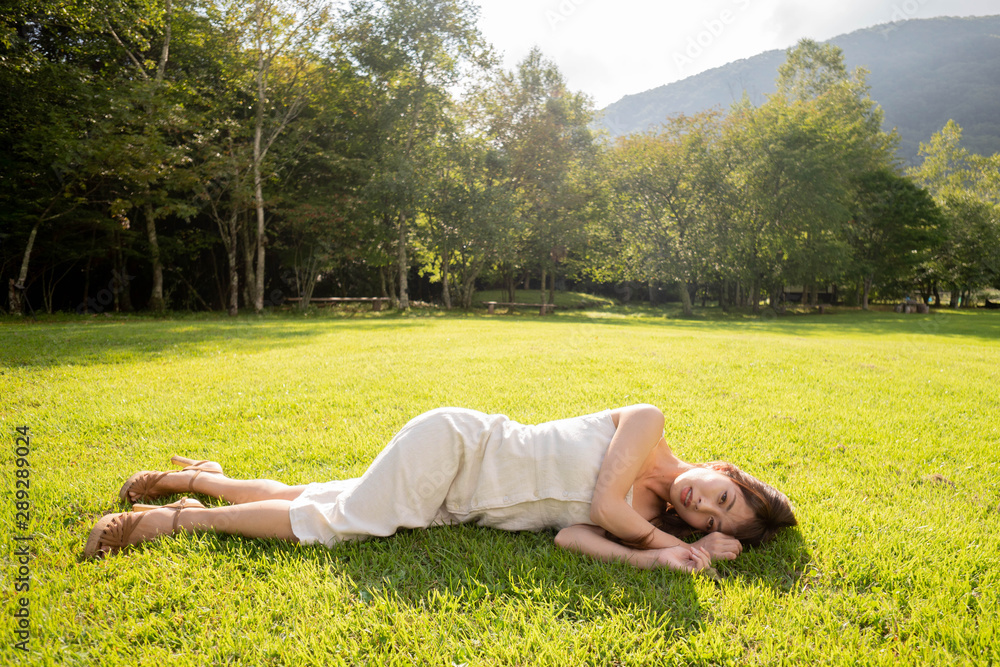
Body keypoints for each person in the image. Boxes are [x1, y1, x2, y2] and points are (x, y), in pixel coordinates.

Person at [85, 404, 797, 572]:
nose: (701, 506)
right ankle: (171, 522)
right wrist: (652, 539)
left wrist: (649, 556)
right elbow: (605, 505)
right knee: (335, 522)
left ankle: (194, 477)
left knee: (316, 490)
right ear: (726, 469)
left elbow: (571, 532)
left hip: (454, 496)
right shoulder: (648, 423)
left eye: (711, 522)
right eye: (721, 497)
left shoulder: (644, 521)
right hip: (457, 444)